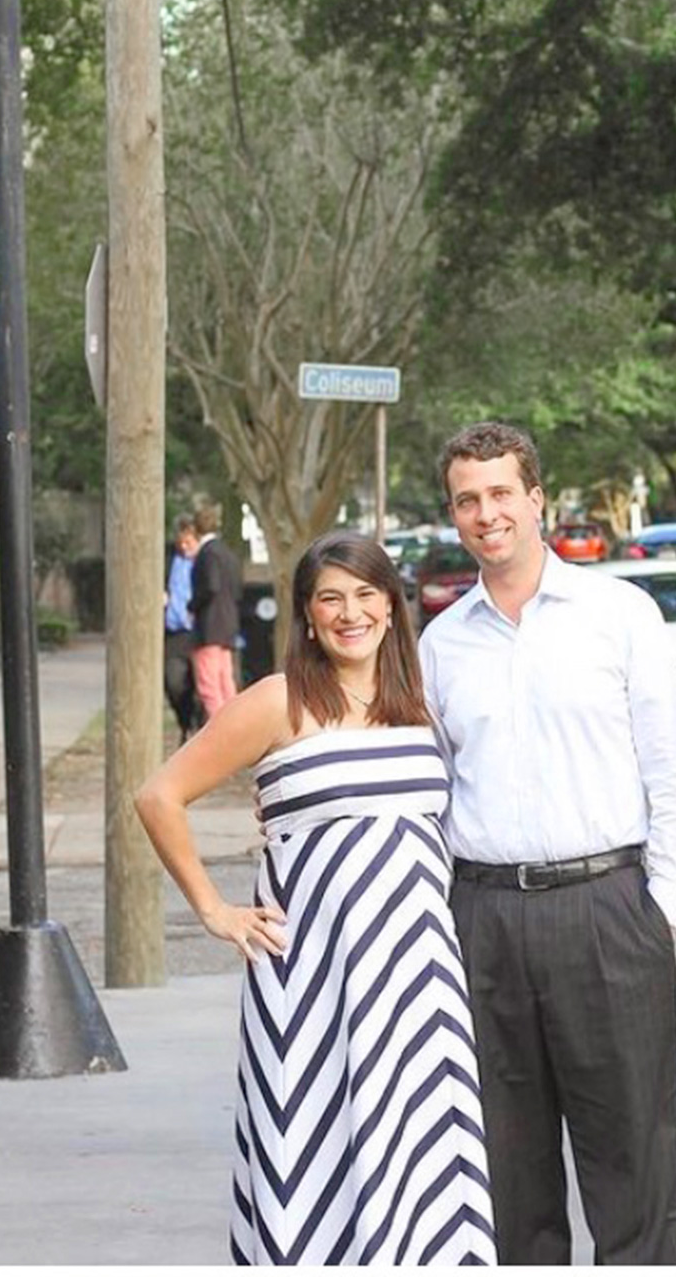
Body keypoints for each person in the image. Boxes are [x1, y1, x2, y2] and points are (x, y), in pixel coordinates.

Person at [137, 529, 496, 1267]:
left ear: (391, 606)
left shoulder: (419, 701)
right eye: (330, 599)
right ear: (306, 614)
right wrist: (214, 910)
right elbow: (159, 795)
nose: (350, 613)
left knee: (422, 1155)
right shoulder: (279, 701)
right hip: (312, 980)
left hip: (418, 980)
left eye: (365, 595)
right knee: (309, 1152)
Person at [423, 421, 676, 1264]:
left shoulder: (618, 615)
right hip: (483, 921)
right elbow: (432, 792)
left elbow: (673, 771)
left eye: (500, 493)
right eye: (467, 500)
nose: (486, 514)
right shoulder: (441, 645)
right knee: (505, 1176)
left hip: (607, 911)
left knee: (633, 1166)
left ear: (536, 499)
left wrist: (657, 908)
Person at [186, 504, 243, 734]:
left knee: (208, 685)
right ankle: (237, 727)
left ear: (196, 528)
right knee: (226, 682)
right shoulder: (228, 554)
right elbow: (236, 589)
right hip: (228, 624)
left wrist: (192, 605)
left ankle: (222, 734)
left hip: (208, 626)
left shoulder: (207, 554)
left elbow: (211, 585)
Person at [165, 518, 202, 733]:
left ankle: (197, 724)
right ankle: (184, 721)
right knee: (173, 681)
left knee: (201, 683)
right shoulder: (171, 560)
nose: (184, 546)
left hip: (198, 630)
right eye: (181, 542)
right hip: (175, 631)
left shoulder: (205, 561)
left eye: (189, 542)